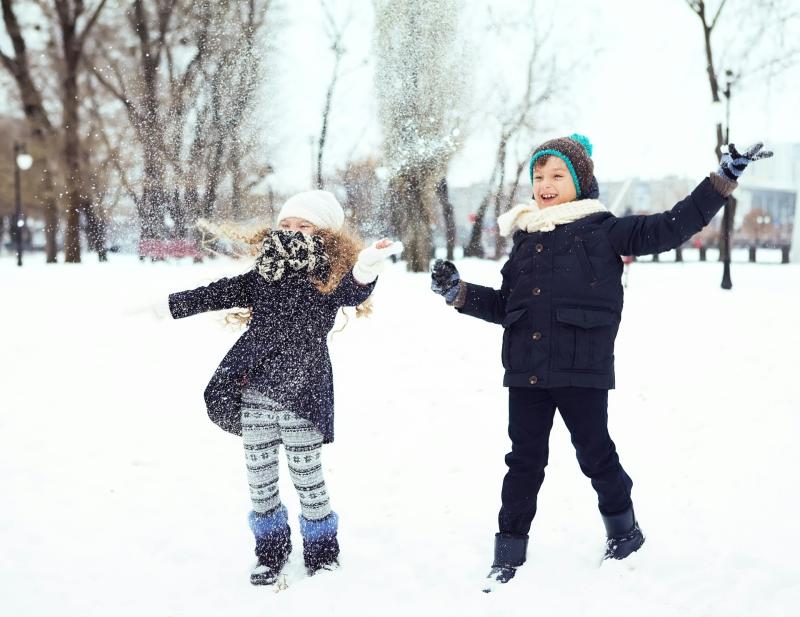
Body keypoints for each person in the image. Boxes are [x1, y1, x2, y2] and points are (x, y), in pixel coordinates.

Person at [430, 135, 772, 590]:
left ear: (580, 180)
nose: (545, 185)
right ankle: (508, 550)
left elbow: (673, 225)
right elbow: (507, 306)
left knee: (595, 454)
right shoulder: (526, 239)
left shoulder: (605, 230)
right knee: (523, 462)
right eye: (538, 176)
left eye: (556, 176)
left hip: (580, 369)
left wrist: (722, 179)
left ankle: (624, 532)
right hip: (527, 371)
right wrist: (459, 293)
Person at [168, 190, 402, 585]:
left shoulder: (328, 276)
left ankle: (323, 555)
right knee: (260, 481)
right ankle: (270, 554)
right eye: (286, 224)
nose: (292, 231)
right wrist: (168, 306)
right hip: (255, 393)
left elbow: (354, 290)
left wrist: (366, 265)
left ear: (324, 233)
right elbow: (217, 293)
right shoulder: (264, 276)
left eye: (304, 225)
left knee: (308, 479)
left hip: (303, 393)